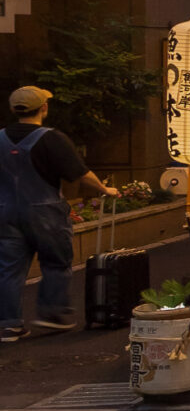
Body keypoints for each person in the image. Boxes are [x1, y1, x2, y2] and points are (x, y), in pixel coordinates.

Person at [0, 85, 110, 341]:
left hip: (4, 212)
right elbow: (80, 174)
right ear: (44, 108)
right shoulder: (51, 138)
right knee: (56, 263)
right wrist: (104, 188)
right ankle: (53, 315)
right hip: (45, 212)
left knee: (8, 269)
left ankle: (9, 325)